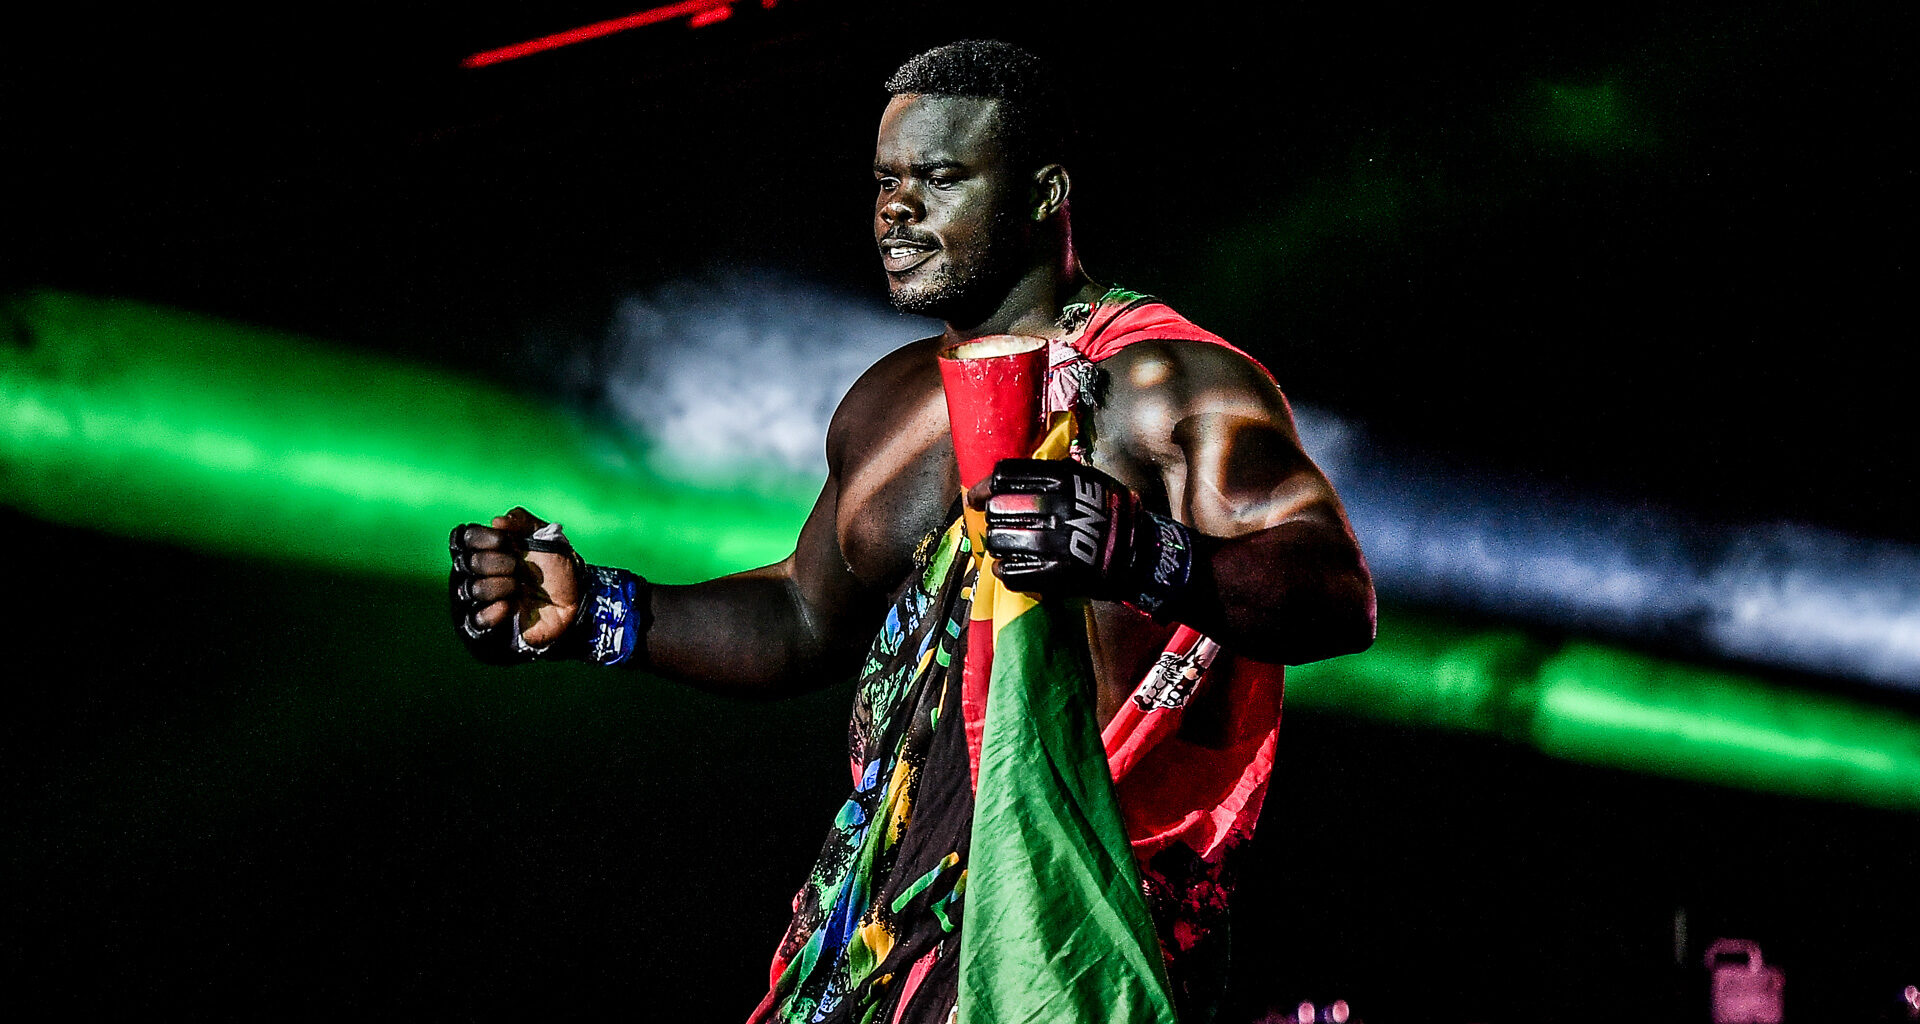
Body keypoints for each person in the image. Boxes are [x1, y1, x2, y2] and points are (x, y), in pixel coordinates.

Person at [448, 40, 1374, 1024]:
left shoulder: (1160, 381)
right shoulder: (887, 405)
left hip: (1064, 951)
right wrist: (598, 609)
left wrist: (1146, 552)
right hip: (875, 950)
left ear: (1043, 192)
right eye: (886, 181)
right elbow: (804, 615)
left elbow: (1334, 591)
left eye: (938, 178)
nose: (897, 209)